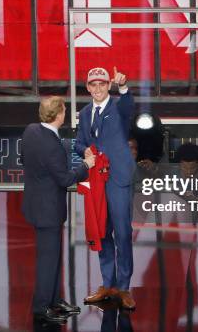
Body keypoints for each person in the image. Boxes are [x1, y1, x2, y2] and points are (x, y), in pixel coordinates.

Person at [22, 96, 96, 324]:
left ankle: (54, 300)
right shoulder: (51, 145)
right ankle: (42, 307)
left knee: (52, 257)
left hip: (37, 205)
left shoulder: (31, 131)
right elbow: (64, 179)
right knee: (48, 260)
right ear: (59, 115)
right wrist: (86, 166)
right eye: (64, 110)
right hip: (48, 210)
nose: (66, 113)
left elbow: (24, 158)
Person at [75, 66, 136, 310]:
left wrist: (123, 87)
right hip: (97, 180)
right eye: (94, 84)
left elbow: (129, 106)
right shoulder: (85, 112)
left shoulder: (118, 107)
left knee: (122, 232)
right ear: (88, 87)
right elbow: (79, 143)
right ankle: (107, 283)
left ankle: (123, 287)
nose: (98, 88)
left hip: (118, 178)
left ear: (108, 86)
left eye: (102, 84)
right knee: (101, 231)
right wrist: (84, 150)